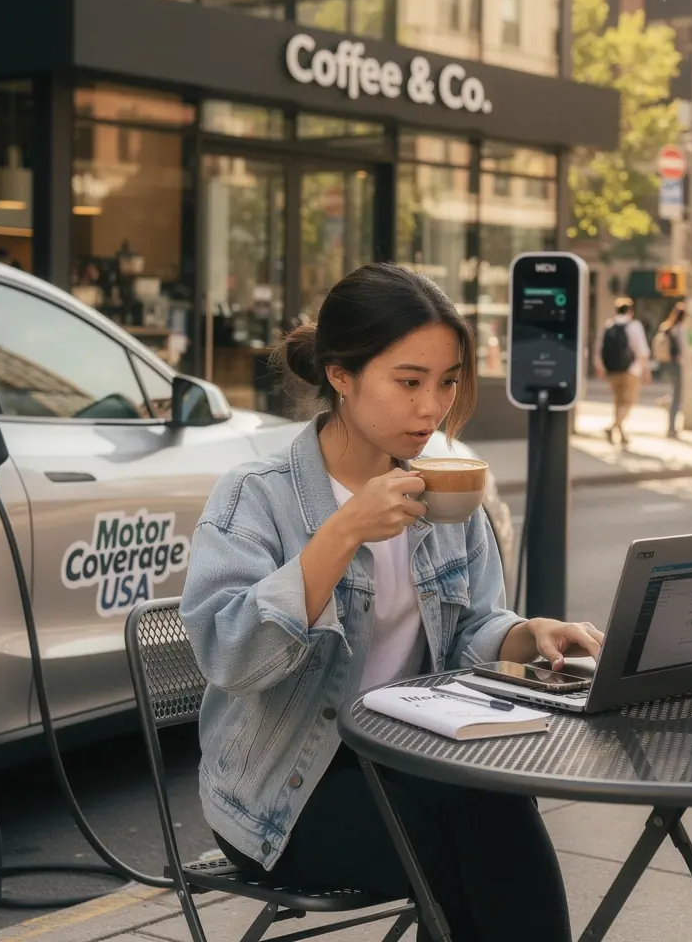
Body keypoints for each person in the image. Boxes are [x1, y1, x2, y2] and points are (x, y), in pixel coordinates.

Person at [180, 264, 605, 942]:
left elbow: (468, 628)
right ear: (341, 376)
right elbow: (231, 657)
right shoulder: (256, 495)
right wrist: (343, 532)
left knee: (496, 806)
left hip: (413, 757)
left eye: (447, 381)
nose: (431, 407)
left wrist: (529, 634)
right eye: (409, 382)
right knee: (468, 849)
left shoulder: (444, 488)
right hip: (286, 789)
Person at [594, 297, 651, 445]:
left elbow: (599, 348)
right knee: (628, 402)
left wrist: (600, 366)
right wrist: (645, 370)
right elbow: (642, 350)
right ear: (631, 311)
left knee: (618, 402)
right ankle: (613, 427)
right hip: (631, 370)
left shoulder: (608, 326)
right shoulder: (634, 326)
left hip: (612, 370)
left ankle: (620, 432)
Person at [653, 302, 687, 438]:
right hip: (675, 364)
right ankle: (672, 427)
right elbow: (683, 348)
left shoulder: (666, 327)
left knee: (674, 394)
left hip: (665, 365)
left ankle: (667, 402)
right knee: (677, 396)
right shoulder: (678, 329)